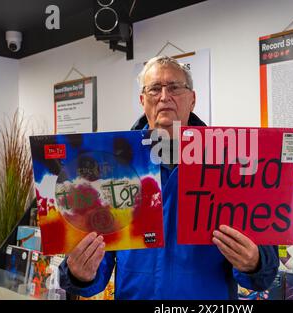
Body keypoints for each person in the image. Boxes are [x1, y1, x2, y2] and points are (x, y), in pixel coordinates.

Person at [59, 56, 279, 299]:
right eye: (154, 89)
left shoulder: (231, 161)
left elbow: (265, 273)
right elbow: (94, 270)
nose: (164, 96)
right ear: (142, 100)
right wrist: (79, 273)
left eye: (174, 87)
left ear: (192, 99)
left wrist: (255, 262)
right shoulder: (112, 166)